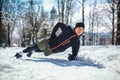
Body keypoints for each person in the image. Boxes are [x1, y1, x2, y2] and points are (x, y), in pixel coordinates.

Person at [15, 22, 84, 61]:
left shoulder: (76, 41)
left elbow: (75, 51)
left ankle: (32, 51)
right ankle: (20, 53)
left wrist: (73, 57)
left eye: (81, 30)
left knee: (41, 51)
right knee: (35, 47)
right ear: (75, 28)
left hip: (53, 51)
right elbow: (59, 24)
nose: (79, 31)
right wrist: (53, 34)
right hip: (49, 42)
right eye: (78, 28)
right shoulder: (68, 29)